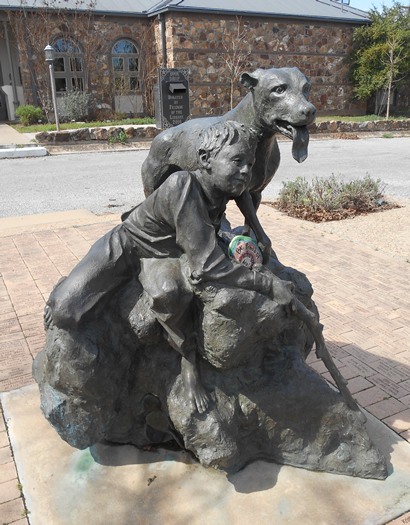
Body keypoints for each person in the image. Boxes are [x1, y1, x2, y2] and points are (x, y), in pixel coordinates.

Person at [45, 120, 294, 413]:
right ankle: (66, 286)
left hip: (166, 253)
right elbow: (209, 265)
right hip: (128, 243)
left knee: (171, 293)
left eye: (250, 164)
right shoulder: (182, 184)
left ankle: (188, 363)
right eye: (237, 161)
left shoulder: (228, 184)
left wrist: (257, 238)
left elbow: (238, 207)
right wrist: (268, 283)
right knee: (63, 312)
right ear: (205, 160)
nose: (245, 171)